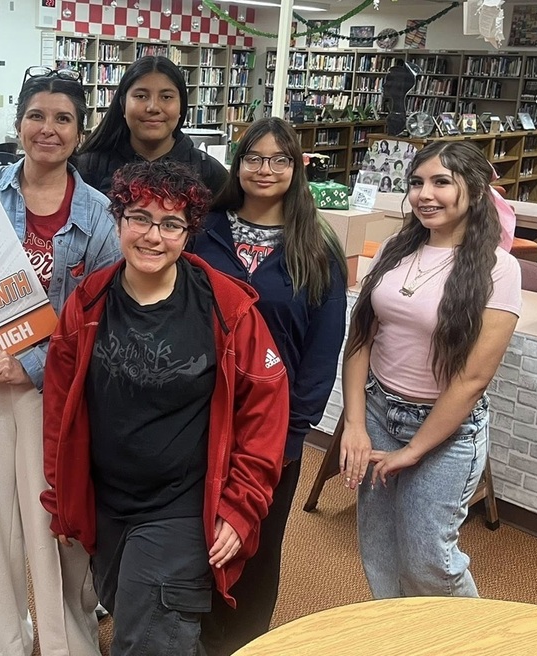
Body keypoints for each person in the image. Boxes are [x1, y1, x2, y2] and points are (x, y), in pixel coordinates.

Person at [41, 159, 290, 656]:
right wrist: (63, 494)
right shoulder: (89, 302)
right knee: (133, 614)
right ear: (118, 221)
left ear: (187, 233)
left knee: (145, 638)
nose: (153, 236)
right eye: (139, 217)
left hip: (181, 506)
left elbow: (264, 414)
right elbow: (60, 404)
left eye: (171, 224)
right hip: (109, 503)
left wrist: (240, 507)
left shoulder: (225, 308)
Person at [0, 67, 120, 656]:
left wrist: (31, 366)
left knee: (56, 533)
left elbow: (102, 321)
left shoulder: (100, 216)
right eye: (37, 115)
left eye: (63, 118)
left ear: (79, 133)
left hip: (53, 396)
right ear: (18, 123)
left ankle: (72, 646)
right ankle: (4, 645)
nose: (48, 129)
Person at [191, 117, 348, 654]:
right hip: (197, 415)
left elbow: (323, 350)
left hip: (273, 428)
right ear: (238, 164)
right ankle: (196, 637)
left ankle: (244, 643)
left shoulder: (317, 244)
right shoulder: (204, 229)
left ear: (296, 168)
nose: (265, 169)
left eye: (279, 159)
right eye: (254, 157)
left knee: (257, 542)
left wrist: (294, 433)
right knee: (198, 535)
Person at [339, 139, 521, 599]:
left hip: (445, 431)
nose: (425, 194)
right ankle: (398, 640)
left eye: (441, 182)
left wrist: (415, 449)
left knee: (429, 561)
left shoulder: (499, 269)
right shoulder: (395, 250)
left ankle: (476, 643)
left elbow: (473, 379)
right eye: (417, 182)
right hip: (380, 414)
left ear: (476, 191)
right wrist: (355, 425)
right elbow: (360, 340)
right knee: (379, 550)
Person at [76, 55, 228, 195]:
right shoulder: (89, 166)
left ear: (181, 106)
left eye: (166, 97)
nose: (153, 107)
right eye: (141, 96)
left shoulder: (209, 172)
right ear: (123, 105)